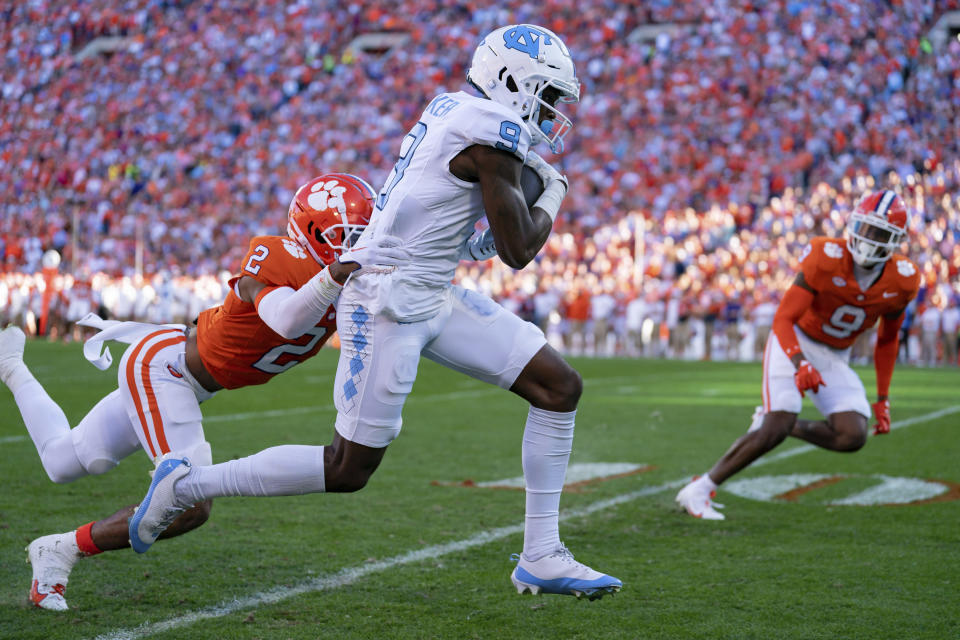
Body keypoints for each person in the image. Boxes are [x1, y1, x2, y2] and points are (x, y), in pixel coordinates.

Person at [131, 24, 621, 600]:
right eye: (546, 94)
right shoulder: (493, 129)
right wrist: (555, 194)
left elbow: (459, 229)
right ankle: (187, 487)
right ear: (513, 82)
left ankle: (541, 554)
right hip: (386, 302)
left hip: (430, 290)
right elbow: (518, 250)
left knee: (558, 387)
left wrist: (525, 189)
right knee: (347, 469)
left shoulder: (456, 108)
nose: (551, 111)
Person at [0, 173, 406, 610]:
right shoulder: (275, 255)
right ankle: (62, 548)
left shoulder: (351, 278)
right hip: (164, 368)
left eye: (363, 234)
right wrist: (331, 277)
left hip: (186, 379)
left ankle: (10, 366)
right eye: (345, 236)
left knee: (64, 460)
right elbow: (285, 318)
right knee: (189, 502)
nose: (354, 246)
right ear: (308, 231)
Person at [676, 190, 920, 520]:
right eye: (864, 228)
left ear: (895, 241)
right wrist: (798, 361)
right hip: (794, 339)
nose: (867, 238)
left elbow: (888, 341)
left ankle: (780, 425)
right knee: (780, 417)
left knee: (852, 435)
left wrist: (883, 396)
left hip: (835, 355)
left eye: (879, 233)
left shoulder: (903, 280)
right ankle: (700, 489)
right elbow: (783, 318)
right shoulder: (825, 255)